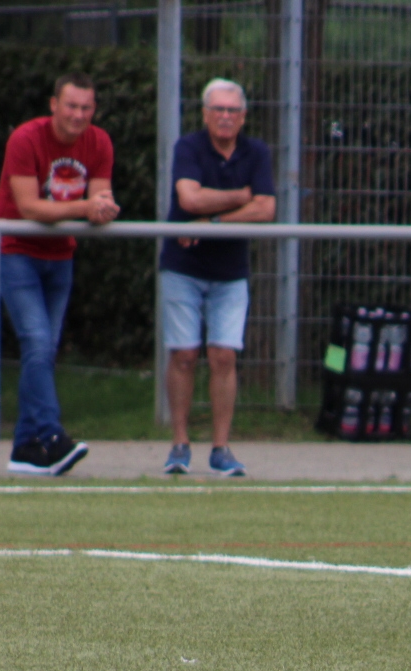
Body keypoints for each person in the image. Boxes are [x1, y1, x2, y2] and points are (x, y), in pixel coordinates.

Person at [0, 72, 118, 476]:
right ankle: (51, 434)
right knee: (37, 340)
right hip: (16, 249)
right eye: (71, 106)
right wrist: (86, 208)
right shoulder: (26, 138)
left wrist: (103, 209)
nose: (78, 115)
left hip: (60, 254)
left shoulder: (99, 142)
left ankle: (25, 449)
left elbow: (99, 197)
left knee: (43, 350)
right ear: (54, 105)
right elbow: (29, 206)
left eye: (86, 107)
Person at [160, 77, 275, 478]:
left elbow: (266, 209)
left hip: (230, 271)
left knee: (224, 355)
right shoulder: (189, 147)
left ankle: (221, 448)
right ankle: (179, 445)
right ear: (205, 114)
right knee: (184, 355)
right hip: (183, 266)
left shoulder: (256, 152)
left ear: (243, 117)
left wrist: (211, 222)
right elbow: (189, 198)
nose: (225, 117)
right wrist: (241, 196)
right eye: (218, 110)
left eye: (233, 110)